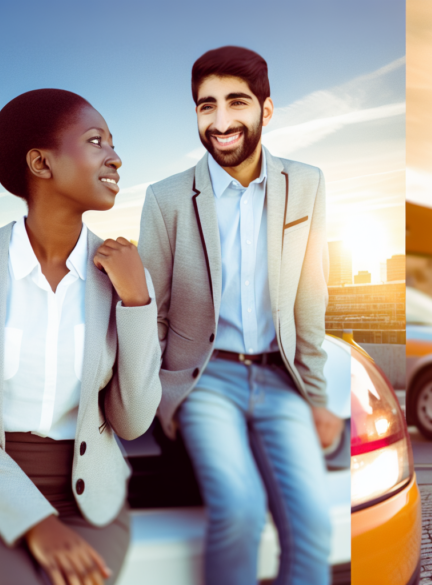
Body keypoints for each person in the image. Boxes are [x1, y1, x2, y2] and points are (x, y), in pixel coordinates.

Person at [0, 89, 161, 585]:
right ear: (41, 163)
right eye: (96, 141)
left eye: (113, 144)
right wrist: (34, 522)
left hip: (88, 495)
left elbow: (133, 422)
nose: (116, 157)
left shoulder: (123, 274)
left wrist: (137, 304)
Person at [137, 46, 341, 585]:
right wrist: (164, 396)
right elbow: (151, 312)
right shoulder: (167, 199)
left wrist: (318, 396)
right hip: (205, 379)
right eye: (207, 106)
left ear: (266, 111)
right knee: (241, 509)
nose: (221, 121)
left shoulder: (307, 184)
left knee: (313, 523)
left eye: (236, 103)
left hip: (281, 378)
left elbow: (309, 299)